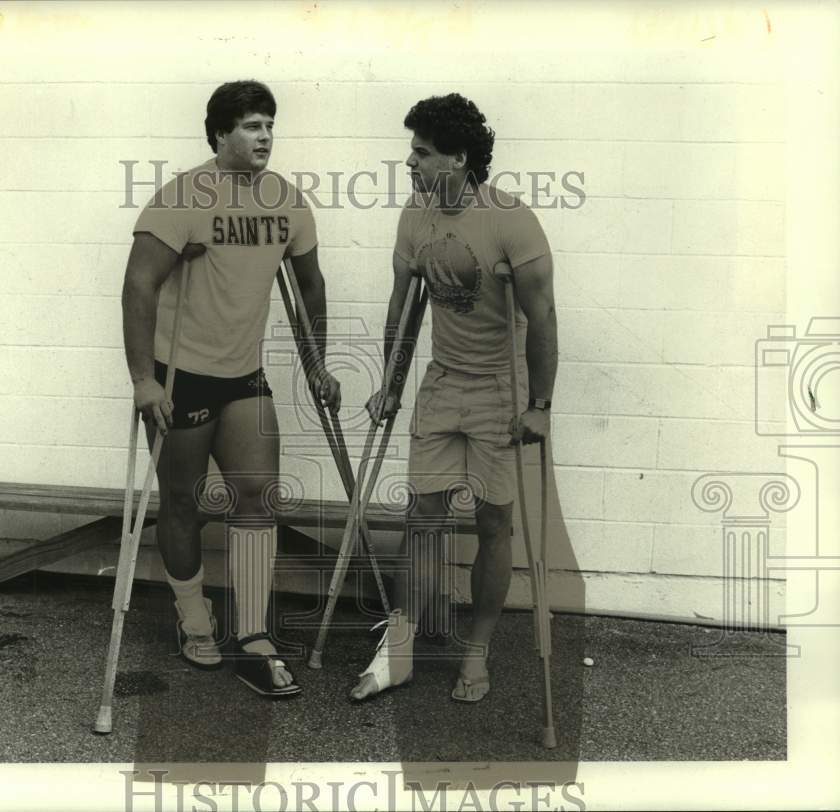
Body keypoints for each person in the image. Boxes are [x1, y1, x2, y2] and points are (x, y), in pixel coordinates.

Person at [121, 80, 340, 698]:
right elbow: (138, 286)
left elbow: (310, 287)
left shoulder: (289, 202)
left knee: (256, 501)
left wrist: (318, 365)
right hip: (179, 373)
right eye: (249, 125)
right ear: (219, 134)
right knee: (184, 503)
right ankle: (195, 617)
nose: (263, 135)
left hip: (243, 375)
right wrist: (143, 380)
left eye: (268, 124)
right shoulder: (181, 197)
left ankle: (251, 633)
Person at [350, 93, 559, 703]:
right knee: (424, 521)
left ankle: (476, 650)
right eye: (412, 150)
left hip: (501, 388)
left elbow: (543, 320)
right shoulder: (415, 215)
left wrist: (540, 406)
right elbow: (400, 305)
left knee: (494, 522)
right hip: (443, 381)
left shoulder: (510, 221)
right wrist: (390, 382)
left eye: (422, 152)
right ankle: (400, 652)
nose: (410, 162)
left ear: (459, 158)